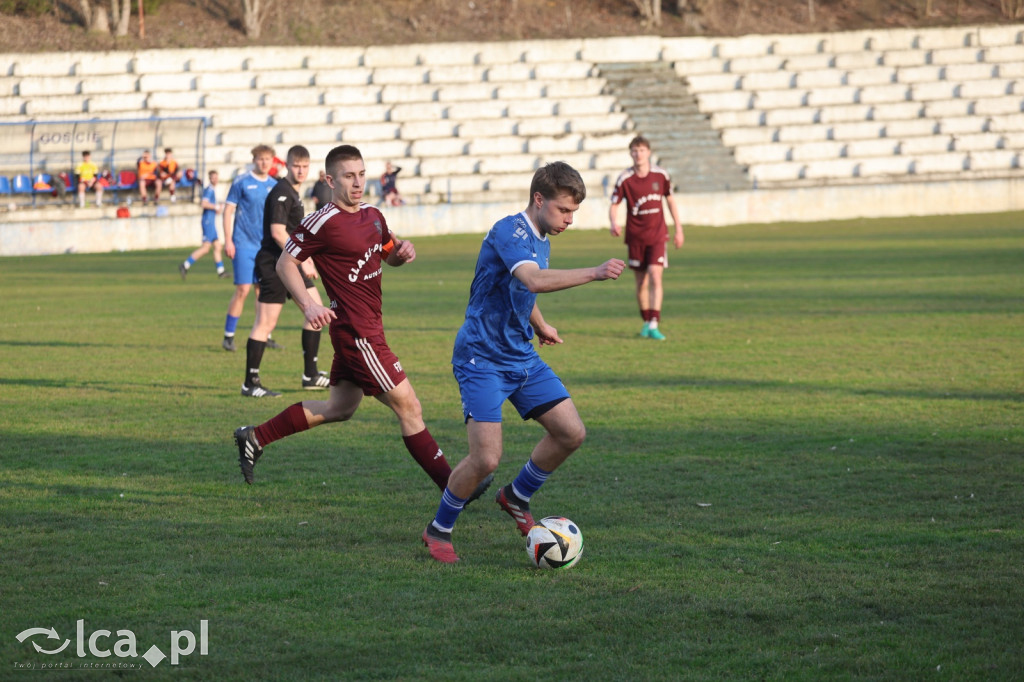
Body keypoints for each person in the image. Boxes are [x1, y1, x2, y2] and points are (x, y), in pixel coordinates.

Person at [232, 144, 493, 504]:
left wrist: (403, 254)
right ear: (330, 180)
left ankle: (255, 437)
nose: (358, 183)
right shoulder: (321, 222)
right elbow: (284, 265)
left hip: (369, 328)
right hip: (358, 334)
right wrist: (308, 305)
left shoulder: (373, 215)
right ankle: (454, 488)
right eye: (348, 176)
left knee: (339, 408)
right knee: (410, 408)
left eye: (361, 174)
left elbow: (389, 254)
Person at [421, 161, 625, 564]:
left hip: (520, 352)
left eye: (574, 213)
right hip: (482, 356)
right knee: (486, 458)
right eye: (564, 210)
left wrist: (540, 323)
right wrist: (596, 272)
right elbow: (532, 280)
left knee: (571, 432)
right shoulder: (509, 231)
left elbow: (519, 289)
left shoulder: (541, 237)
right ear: (539, 199)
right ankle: (437, 530)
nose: (569, 220)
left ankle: (515, 496)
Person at [241, 145, 332, 397]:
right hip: (274, 264)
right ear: (287, 166)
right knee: (265, 323)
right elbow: (278, 232)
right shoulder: (281, 192)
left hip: (290, 262)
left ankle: (310, 375)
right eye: (296, 166)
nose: (300, 171)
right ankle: (250, 383)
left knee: (317, 312)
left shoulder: (294, 193)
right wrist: (304, 260)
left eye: (304, 166)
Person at [608, 135, 684, 341]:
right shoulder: (625, 178)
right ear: (631, 153)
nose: (638, 154)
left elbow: (670, 201)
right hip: (635, 237)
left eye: (641, 150)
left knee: (655, 275)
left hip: (658, 236)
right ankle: (645, 320)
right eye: (634, 150)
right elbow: (614, 203)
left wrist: (679, 228)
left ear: (648, 152)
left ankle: (654, 322)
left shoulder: (660, 175)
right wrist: (613, 221)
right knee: (641, 282)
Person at [222, 145, 278, 352]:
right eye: (260, 159)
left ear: (273, 161)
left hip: (265, 246)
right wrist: (228, 240)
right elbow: (228, 211)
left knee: (262, 291)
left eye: (267, 159)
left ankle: (265, 334)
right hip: (243, 243)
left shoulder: (275, 185)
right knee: (243, 289)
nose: (264, 162)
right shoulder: (242, 182)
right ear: (254, 160)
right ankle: (228, 336)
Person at [179, 170, 226, 279]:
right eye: (213, 178)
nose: (215, 179)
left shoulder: (212, 190)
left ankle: (221, 271)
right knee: (205, 248)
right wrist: (215, 207)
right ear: (210, 179)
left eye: (216, 177)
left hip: (211, 222)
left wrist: (216, 209)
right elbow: (203, 203)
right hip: (208, 222)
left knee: (218, 246)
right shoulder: (209, 190)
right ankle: (185, 265)